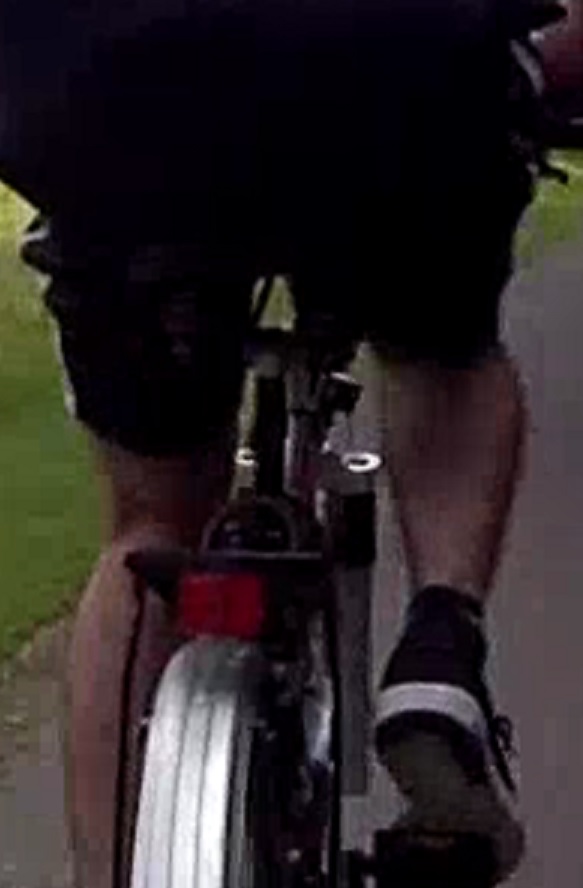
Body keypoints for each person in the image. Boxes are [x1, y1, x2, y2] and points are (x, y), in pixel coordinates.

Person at [0, 0, 567, 885]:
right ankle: (437, 650)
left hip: (111, 103)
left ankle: (109, 869)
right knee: (440, 357)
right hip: (385, 82)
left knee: (151, 525)